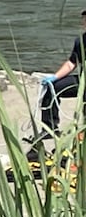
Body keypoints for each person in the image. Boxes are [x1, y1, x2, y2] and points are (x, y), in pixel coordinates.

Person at [37, 9, 86, 139]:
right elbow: (71, 63)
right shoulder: (80, 41)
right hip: (82, 80)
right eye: (84, 19)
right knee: (52, 88)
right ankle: (49, 128)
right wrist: (54, 78)